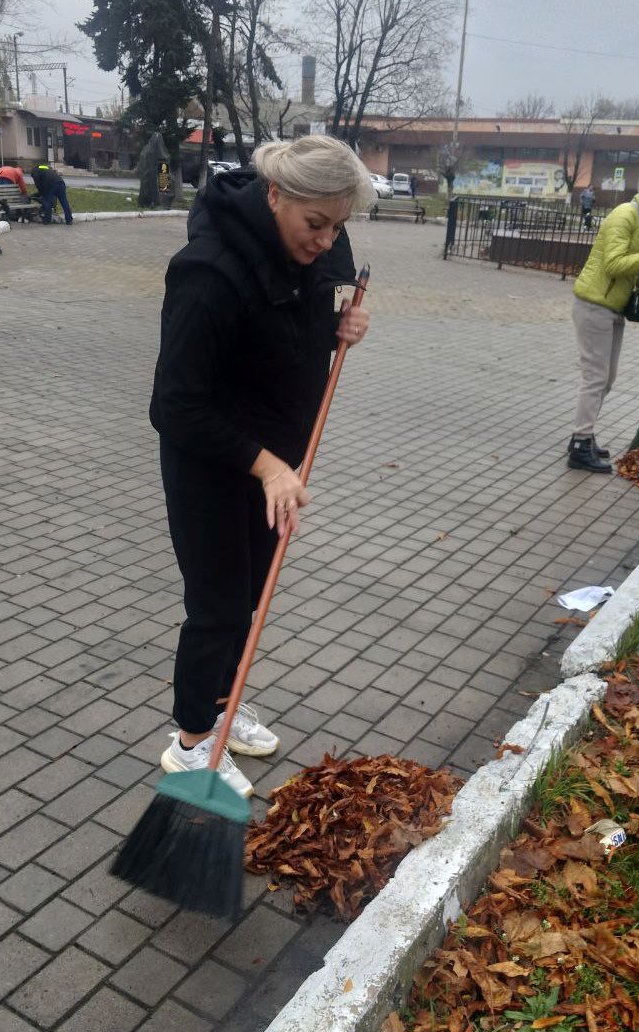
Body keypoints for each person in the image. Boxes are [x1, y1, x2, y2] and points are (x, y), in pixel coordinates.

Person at [149, 135, 375, 796]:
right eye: (316, 223)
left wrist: (343, 330)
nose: (327, 240)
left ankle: (222, 705)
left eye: (339, 226)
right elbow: (175, 404)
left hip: (273, 462)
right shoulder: (209, 272)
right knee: (217, 605)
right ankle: (192, 739)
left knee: (246, 596)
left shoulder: (314, 252)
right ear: (274, 195)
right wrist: (265, 465)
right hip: (213, 463)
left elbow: (300, 336)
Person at [567, 156, 639, 472]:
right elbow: (613, 264)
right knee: (596, 376)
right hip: (594, 304)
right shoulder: (624, 216)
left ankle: (585, 434)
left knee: (608, 377)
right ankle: (580, 445)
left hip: (613, 307)